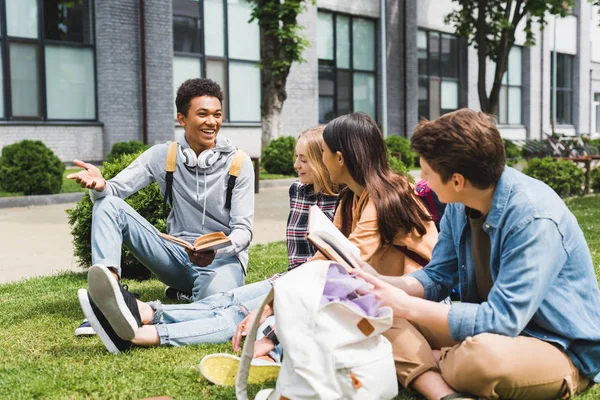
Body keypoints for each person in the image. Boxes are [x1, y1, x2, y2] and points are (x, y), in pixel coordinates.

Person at [355, 108, 600, 400]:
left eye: (427, 172)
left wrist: (408, 307)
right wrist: (383, 285)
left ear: (457, 180)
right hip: (486, 331)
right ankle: (443, 390)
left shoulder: (534, 219)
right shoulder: (460, 204)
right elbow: (437, 276)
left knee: (480, 360)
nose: (422, 179)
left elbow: (504, 319)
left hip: (554, 344)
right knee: (379, 314)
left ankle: (431, 363)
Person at [77, 126, 339, 354]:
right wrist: (101, 186)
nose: (295, 165)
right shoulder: (299, 190)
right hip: (185, 256)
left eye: (303, 159)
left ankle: (143, 324)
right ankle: (115, 299)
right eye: (296, 158)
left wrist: (219, 249)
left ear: (324, 162)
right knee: (108, 205)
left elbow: (246, 232)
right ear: (182, 118)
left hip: (248, 267)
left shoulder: (241, 163)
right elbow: (113, 190)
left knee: (229, 308)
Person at [239, 112, 440, 364]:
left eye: (322, 152)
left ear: (340, 158)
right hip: (380, 295)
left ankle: (271, 350)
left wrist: (272, 319)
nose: (320, 160)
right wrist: (271, 302)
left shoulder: (385, 198)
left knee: (327, 305)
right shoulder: (350, 199)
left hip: (411, 302)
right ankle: (271, 348)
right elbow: (323, 258)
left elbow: (340, 271)